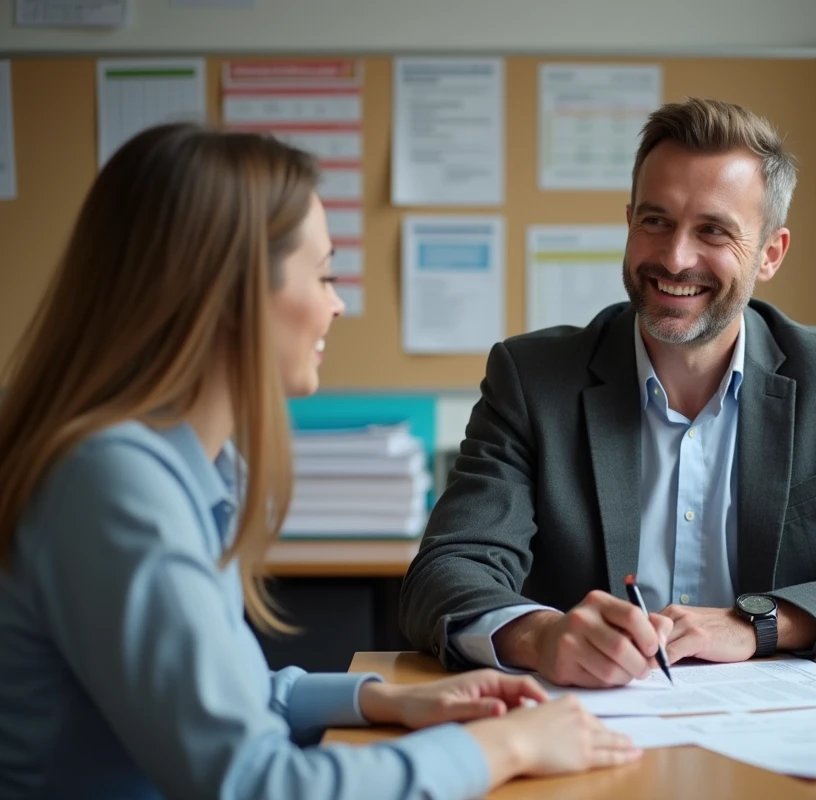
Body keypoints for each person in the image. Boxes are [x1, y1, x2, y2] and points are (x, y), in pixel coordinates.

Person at [0, 123, 640, 799]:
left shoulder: (178, 467)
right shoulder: (113, 485)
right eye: (326, 274)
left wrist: (382, 698)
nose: (337, 305)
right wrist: (507, 745)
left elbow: (229, 695)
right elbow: (256, 784)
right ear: (231, 293)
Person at [399, 98, 816, 688]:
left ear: (770, 254)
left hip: (776, 722)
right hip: (589, 717)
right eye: (655, 221)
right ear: (629, 223)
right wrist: (541, 635)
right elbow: (445, 574)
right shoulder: (533, 380)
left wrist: (759, 623)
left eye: (713, 230)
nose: (675, 258)